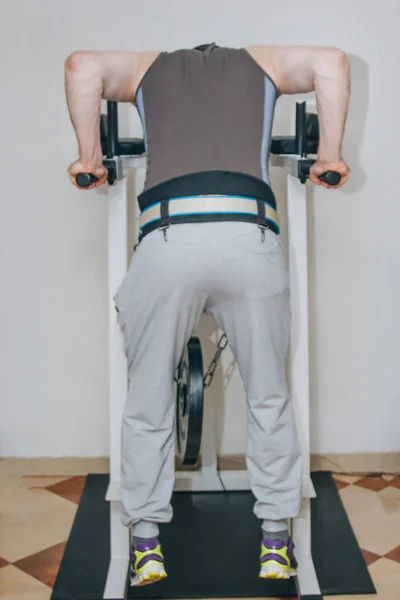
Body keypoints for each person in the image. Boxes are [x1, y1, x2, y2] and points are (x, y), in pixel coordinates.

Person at [65, 42, 350, 587]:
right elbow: (332, 62)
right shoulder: (263, 62)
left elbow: (81, 65)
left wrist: (89, 159)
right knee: (269, 397)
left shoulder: (148, 66)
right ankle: (275, 542)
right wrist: (331, 155)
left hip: (168, 240)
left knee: (147, 403)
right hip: (250, 236)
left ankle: (145, 545)